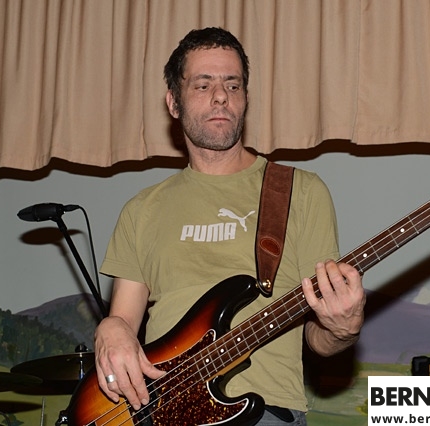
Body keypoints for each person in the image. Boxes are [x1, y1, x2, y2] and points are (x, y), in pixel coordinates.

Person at [94, 27, 366, 425]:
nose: (221, 96)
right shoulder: (141, 210)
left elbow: (317, 337)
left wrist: (342, 329)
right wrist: (110, 327)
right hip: (164, 413)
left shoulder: (300, 192)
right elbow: (124, 322)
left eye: (232, 85)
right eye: (203, 85)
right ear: (173, 102)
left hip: (265, 412)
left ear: (245, 99)